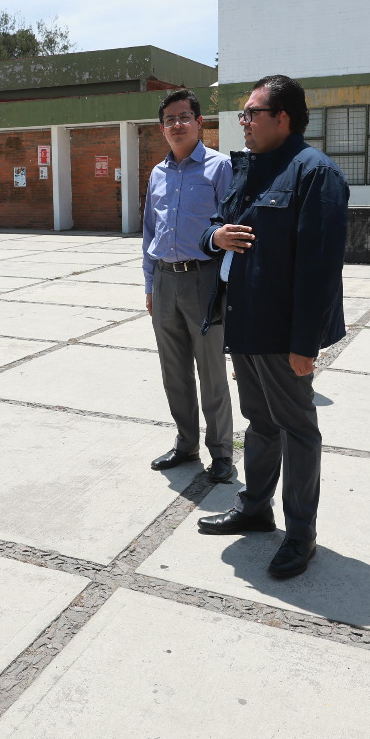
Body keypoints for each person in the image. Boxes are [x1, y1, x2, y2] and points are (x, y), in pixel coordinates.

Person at [194, 74, 349, 580]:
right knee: (259, 423)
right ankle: (256, 508)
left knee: (298, 429)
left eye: (251, 114)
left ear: (283, 118)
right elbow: (215, 227)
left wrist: (306, 344)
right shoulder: (251, 169)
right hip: (245, 323)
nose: (243, 123)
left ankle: (301, 533)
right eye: (242, 114)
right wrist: (214, 237)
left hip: (284, 334)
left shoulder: (315, 174)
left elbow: (320, 271)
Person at [142, 89, 235, 484]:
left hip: (204, 280)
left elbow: (233, 227)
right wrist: (149, 283)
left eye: (184, 117)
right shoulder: (157, 174)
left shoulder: (221, 168)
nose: (176, 125)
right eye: (169, 120)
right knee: (173, 370)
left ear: (200, 122)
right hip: (164, 280)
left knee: (211, 370)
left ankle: (222, 453)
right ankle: (185, 443)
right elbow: (149, 230)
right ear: (162, 128)